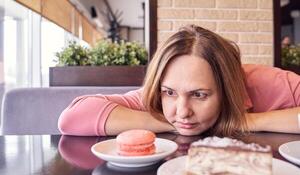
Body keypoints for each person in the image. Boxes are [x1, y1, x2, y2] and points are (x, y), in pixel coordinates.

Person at [58, 25, 300, 137]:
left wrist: (248, 121)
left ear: (226, 88)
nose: (182, 111)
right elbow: (73, 118)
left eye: (199, 95)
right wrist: (168, 123)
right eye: (170, 93)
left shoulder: (267, 82)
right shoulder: (157, 98)